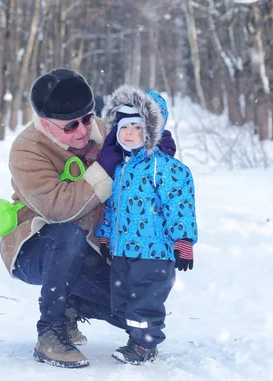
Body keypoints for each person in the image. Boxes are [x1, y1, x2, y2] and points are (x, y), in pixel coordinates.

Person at [0, 68, 176, 369]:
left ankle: (70, 306)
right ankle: (50, 333)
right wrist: (104, 168)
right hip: (34, 245)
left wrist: (155, 152)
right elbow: (58, 208)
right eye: (70, 126)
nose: (83, 130)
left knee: (132, 309)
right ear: (46, 123)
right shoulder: (27, 149)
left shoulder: (104, 129)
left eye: (86, 118)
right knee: (65, 232)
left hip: (90, 245)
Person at [95, 85, 198, 365]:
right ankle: (135, 338)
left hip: (154, 253)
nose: (128, 133)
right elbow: (111, 209)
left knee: (145, 301)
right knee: (121, 299)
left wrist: (183, 241)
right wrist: (104, 237)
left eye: (137, 128)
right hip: (122, 250)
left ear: (151, 131)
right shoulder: (119, 168)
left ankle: (144, 344)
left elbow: (180, 206)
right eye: (124, 126)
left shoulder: (164, 168)